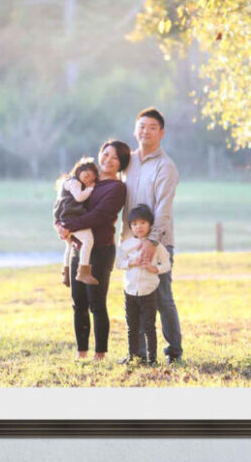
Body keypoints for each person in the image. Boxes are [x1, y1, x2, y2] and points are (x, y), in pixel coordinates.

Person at [55, 138, 130, 360]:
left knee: (96, 303)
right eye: (105, 154)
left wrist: (69, 226)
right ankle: (81, 353)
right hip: (79, 247)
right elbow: (65, 204)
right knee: (78, 303)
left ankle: (100, 353)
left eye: (115, 157)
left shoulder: (117, 188)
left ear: (121, 163)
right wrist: (59, 224)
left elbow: (99, 216)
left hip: (100, 250)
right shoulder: (87, 181)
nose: (108, 159)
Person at [123, 107, 182, 363]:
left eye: (152, 127)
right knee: (135, 298)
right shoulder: (128, 161)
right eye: (142, 126)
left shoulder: (165, 166)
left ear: (162, 133)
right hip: (130, 243)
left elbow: (164, 209)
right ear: (135, 130)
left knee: (161, 297)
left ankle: (173, 352)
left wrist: (152, 241)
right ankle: (139, 353)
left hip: (159, 242)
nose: (146, 131)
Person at [117, 203, 170, 365]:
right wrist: (132, 262)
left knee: (149, 326)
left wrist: (154, 268)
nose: (138, 227)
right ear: (130, 227)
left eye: (143, 223)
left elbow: (166, 265)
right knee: (132, 326)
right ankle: (133, 356)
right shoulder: (126, 245)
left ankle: (152, 359)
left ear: (150, 225)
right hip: (130, 291)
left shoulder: (157, 247)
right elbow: (119, 263)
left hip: (149, 291)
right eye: (134, 224)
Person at [55, 156, 101, 287]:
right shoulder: (73, 182)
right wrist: (90, 189)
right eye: (86, 175)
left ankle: (66, 273)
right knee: (88, 240)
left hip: (66, 218)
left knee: (70, 246)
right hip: (72, 217)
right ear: (79, 170)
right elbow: (79, 197)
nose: (87, 180)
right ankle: (83, 271)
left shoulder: (70, 182)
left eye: (91, 179)